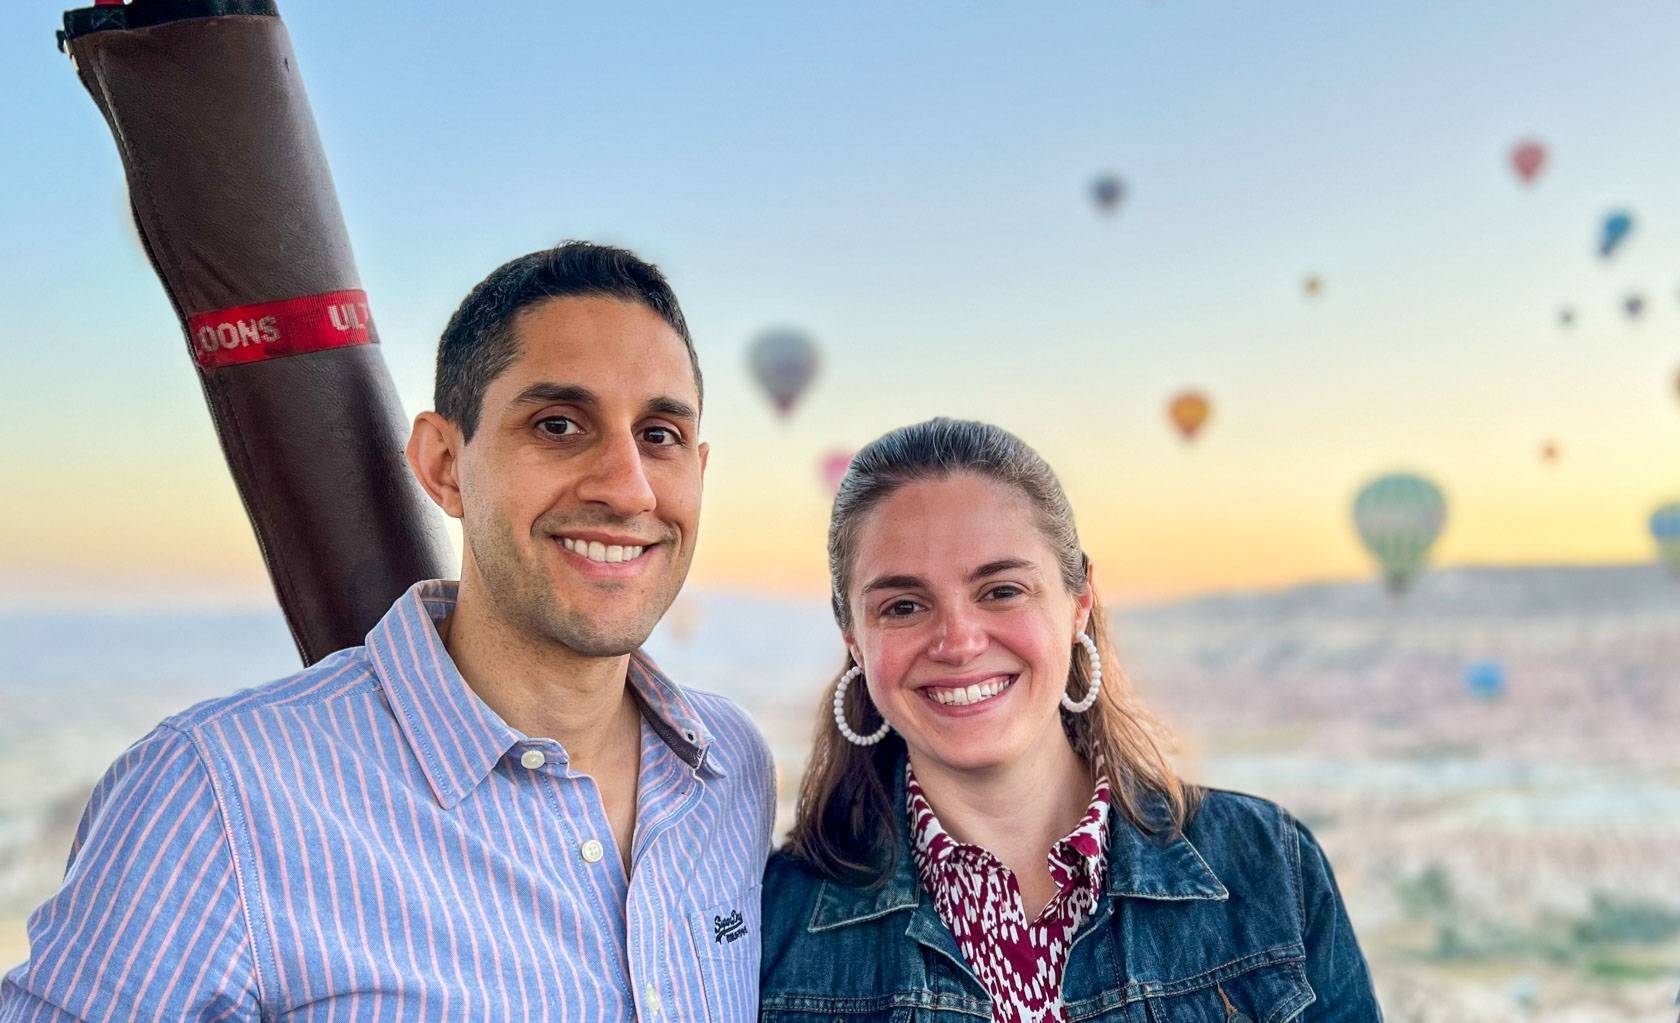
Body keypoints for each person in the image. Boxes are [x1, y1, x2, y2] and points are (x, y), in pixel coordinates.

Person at [1, 242, 775, 1021]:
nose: (629, 489)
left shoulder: (730, 770)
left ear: (699, 471)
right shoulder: (212, 799)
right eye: (559, 424)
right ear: (443, 464)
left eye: (660, 435)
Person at [760, 418, 1381, 1022]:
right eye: (902, 606)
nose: (958, 642)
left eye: (1001, 591)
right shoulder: (776, 923)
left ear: (1079, 601)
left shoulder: (1267, 865)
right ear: (854, 638)